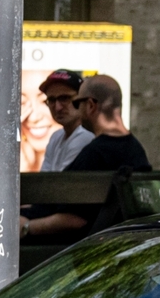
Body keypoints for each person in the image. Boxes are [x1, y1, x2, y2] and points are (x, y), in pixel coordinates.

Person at [20, 74, 149, 239]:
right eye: (50, 101)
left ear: (90, 105)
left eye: (75, 103)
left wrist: (26, 227)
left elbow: (74, 219)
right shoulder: (135, 148)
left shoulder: (95, 154)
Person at [37, 68, 90, 170]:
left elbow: (60, 183)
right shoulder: (56, 137)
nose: (58, 107)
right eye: (51, 100)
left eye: (64, 98)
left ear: (81, 98)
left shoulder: (84, 136)